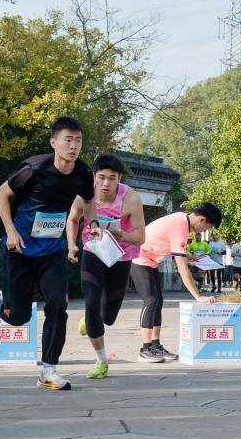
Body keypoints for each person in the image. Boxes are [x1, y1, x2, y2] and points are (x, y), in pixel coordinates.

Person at [0, 117, 94, 390]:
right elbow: (0, 194)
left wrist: (93, 224)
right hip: (19, 249)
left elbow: (89, 200)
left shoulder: (83, 172)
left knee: (58, 306)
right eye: (67, 140)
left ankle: (49, 370)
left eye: (78, 141)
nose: (73, 146)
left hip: (52, 252)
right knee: (18, 317)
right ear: (53, 142)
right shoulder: (35, 168)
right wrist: (10, 231)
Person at [66, 154, 147, 380]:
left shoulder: (131, 198)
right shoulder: (84, 194)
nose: (105, 184)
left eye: (112, 178)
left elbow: (141, 237)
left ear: (119, 178)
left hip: (120, 257)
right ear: (94, 176)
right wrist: (71, 244)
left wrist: (122, 235)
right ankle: (101, 360)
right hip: (93, 252)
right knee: (91, 303)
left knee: (108, 317)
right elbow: (72, 219)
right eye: (101, 177)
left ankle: (91, 320)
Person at [129, 204, 222, 362]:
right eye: (208, 227)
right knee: (150, 300)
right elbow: (182, 268)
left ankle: (155, 346)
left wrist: (187, 256)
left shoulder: (182, 220)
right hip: (138, 257)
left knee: (158, 301)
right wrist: (198, 296)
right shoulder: (181, 226)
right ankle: (145, 349)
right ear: (202, 220)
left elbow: (170, 246)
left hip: (150, 260)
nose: (204, 231)